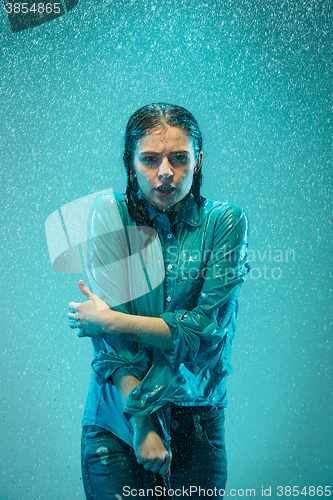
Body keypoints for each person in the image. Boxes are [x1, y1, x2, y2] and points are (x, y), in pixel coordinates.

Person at [68, 103, 250, 500]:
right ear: (130, 163)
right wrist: (142, 423)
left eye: (179, 158)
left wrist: (111, 320)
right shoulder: (109, 215)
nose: (165, 172)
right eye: (150, 159)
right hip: (117, 421)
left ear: (198, 161)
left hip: (196, 418)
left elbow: (204, 332)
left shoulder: (226, 222)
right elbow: (111, 346)